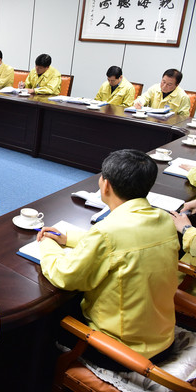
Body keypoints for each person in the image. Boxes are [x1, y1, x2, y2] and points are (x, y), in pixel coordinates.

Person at [37, 149, 178, 368]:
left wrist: (47, 244)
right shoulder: (164, 219)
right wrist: (68, 238)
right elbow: (124, 243)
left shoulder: (107, 231)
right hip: (164, 340)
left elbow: (65, 275)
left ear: (106, 185)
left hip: (122, 352)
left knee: (45, 319)